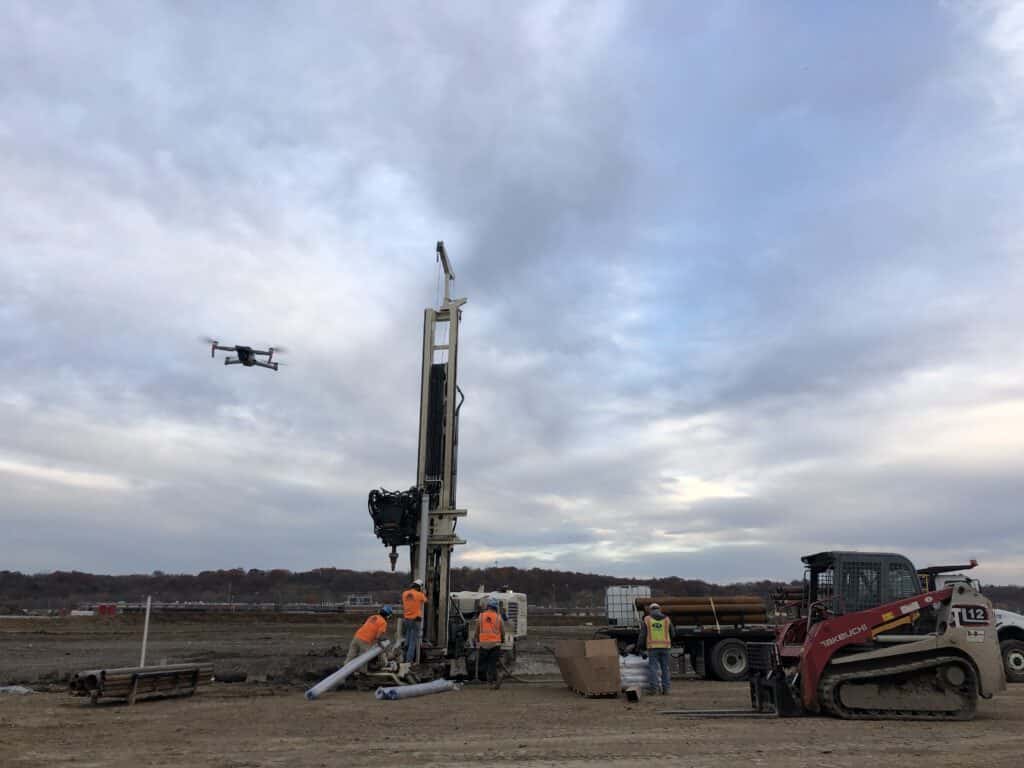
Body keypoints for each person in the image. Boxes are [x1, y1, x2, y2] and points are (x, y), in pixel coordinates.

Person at [344, 605, 393, 673]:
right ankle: (362, 674)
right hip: (365, 641)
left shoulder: (372, 617)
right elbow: (378, 637)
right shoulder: (383, 623)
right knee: (363, 659)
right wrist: (380, 644)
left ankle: (344, 673)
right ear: (388, 615)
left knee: (350, 657)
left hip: (357, 636)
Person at [639, 602, 674, 694]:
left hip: (652, 647)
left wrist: (640, 647)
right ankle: (666, 690)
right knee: (665, 668)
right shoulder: (667, 619)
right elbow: (673, 633)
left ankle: (654, 690)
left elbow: (642, 635)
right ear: (659, 609)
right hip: (665, 647)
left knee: (653, 668)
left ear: (650, 610)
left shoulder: (647, 619)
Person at [476, 597, 505, 689]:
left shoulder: (481, 616)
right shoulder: (498, 617)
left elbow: (477, 630)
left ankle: (490, 681)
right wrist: (502, 639)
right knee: (492, 663)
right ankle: (495, 679)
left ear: (487, 606)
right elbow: (502, 631)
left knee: (484, 664)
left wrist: (476, 639)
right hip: (495, 644)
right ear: (496, 607)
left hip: (483, 644)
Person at [401, 578, 429, 663]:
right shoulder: (420, 595)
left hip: (407, 619)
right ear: (419, 587)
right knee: (413, 642)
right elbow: (426, 600)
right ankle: (409, 662)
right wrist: (423, 592)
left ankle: (404, 658)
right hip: (416, 620)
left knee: (407, 639)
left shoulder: (404, 593)